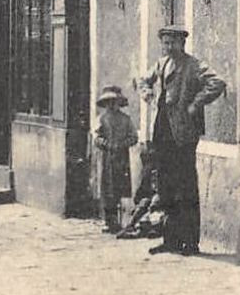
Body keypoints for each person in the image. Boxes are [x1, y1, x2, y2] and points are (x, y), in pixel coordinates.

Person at [136, 25, 225, 256]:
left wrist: (196, 104)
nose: (168, 47)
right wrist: (146, 92)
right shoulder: (161, 64)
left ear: (182, 44)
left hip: (183, 135)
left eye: (172, 43)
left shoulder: (194, 65)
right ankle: (170, 240)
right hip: (162, 132)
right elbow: (142, 80)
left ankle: (190, 242)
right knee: (166, 187)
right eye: (165, 43)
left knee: (186, 188)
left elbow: (217, 82)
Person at [92, 85, 137, 233]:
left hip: (122, 158)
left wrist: (122, 144)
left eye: (114, 102)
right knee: (107, 189)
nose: (112, 105)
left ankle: (120, 220)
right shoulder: (102, 119)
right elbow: (96, 137)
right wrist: (105, 144)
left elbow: (134, 137)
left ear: (119, 103)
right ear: (105, 104)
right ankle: (109, 221)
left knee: (120, 188)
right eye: (109, 102)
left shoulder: (126, 120)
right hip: (107, 158)